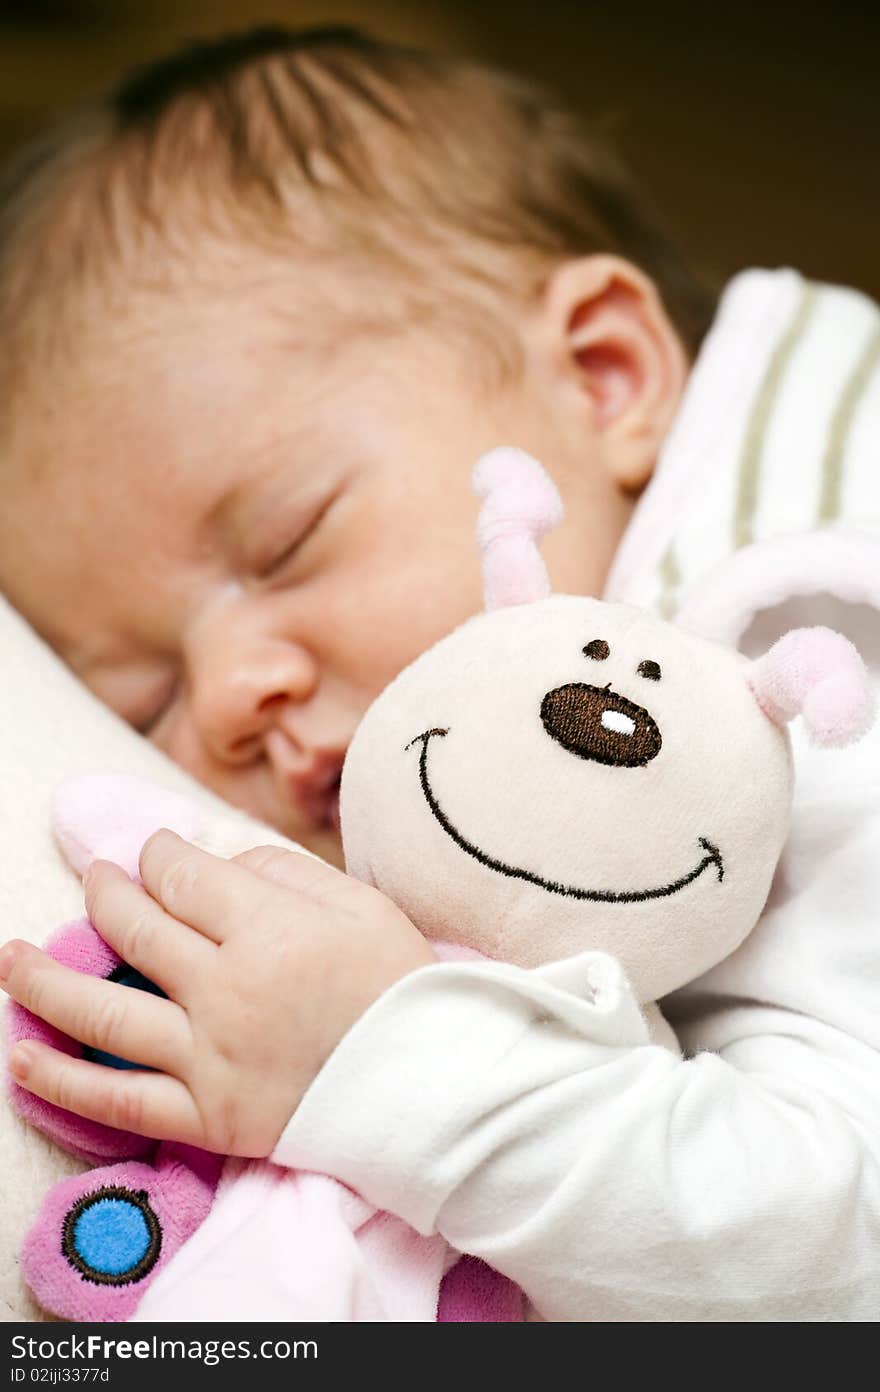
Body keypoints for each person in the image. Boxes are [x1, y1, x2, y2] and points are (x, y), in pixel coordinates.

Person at [0, 26, 878, 1320]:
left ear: (604, 372)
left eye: (285, 540)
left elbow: (834, 1247)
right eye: (146, 700)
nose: (232, 692)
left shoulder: (809, 650)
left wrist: (386, 1061)